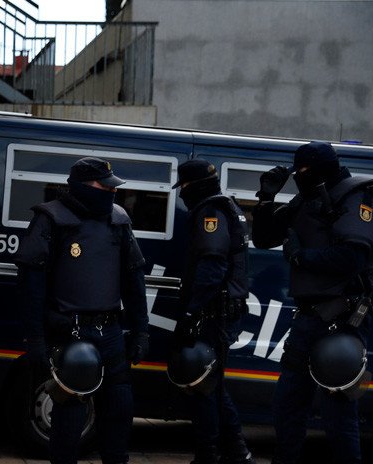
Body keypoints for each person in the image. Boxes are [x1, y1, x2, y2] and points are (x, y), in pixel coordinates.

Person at [251, 141, 373, 464]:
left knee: (338, 417)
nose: (299, 178)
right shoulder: (306, 199)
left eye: (303, 173)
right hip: (308, 320)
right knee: (287, 406)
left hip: (341, 320)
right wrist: (267, 198)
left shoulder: (355, 198)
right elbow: (264, 238)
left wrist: (302, 257)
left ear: (319, 170)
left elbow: (352, 257)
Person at [15, 156, 150, 464]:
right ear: (82, 186)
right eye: (103, 185)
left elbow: (134, 279)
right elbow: (30, 284)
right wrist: (35, 338)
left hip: (110, 331)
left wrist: (141, 329)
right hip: (70, 332)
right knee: (71, 413)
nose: (111, 192)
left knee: (119, 405)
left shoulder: (118, 219)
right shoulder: (51, 218)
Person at [170, 159, 256, 464]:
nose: (182, 195)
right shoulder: (227, 206)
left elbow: (212, 264)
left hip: (211, 313)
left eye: (184, 188)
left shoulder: (211, 212)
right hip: (220, 312)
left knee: (204, 385)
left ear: (192, 186)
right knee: (213, 385)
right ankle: (235, 451)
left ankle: (210, 453)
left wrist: (192, 313)